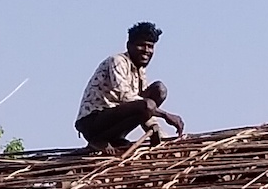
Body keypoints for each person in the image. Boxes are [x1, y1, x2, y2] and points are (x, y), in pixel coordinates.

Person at [75, 22, 185, 150]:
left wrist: (158, 133)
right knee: (147, 104)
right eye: (141, 45)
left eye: (150, 46)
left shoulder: (140, 72)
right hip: (93, 122)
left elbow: (142, 109)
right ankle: (98, 139)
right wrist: (166, 115)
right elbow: (127, 98)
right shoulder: (117, 61)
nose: (146, 50)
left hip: (114, 121)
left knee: (159, 90)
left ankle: (114, 138)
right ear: (129, 45)